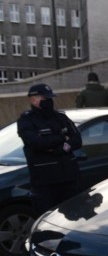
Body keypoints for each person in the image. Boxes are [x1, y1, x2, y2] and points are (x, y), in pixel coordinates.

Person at [17, 83, 83, 215]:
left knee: (72, 219)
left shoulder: (61, 117)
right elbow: (37, 143)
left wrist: (63, 148)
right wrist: (61, 138)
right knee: (47, 221)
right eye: (45, 99)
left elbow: (77, 140)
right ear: (33, 99)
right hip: (45, 183)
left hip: (69, 179)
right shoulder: (27, 120)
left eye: (50, 99)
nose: (49, 102)